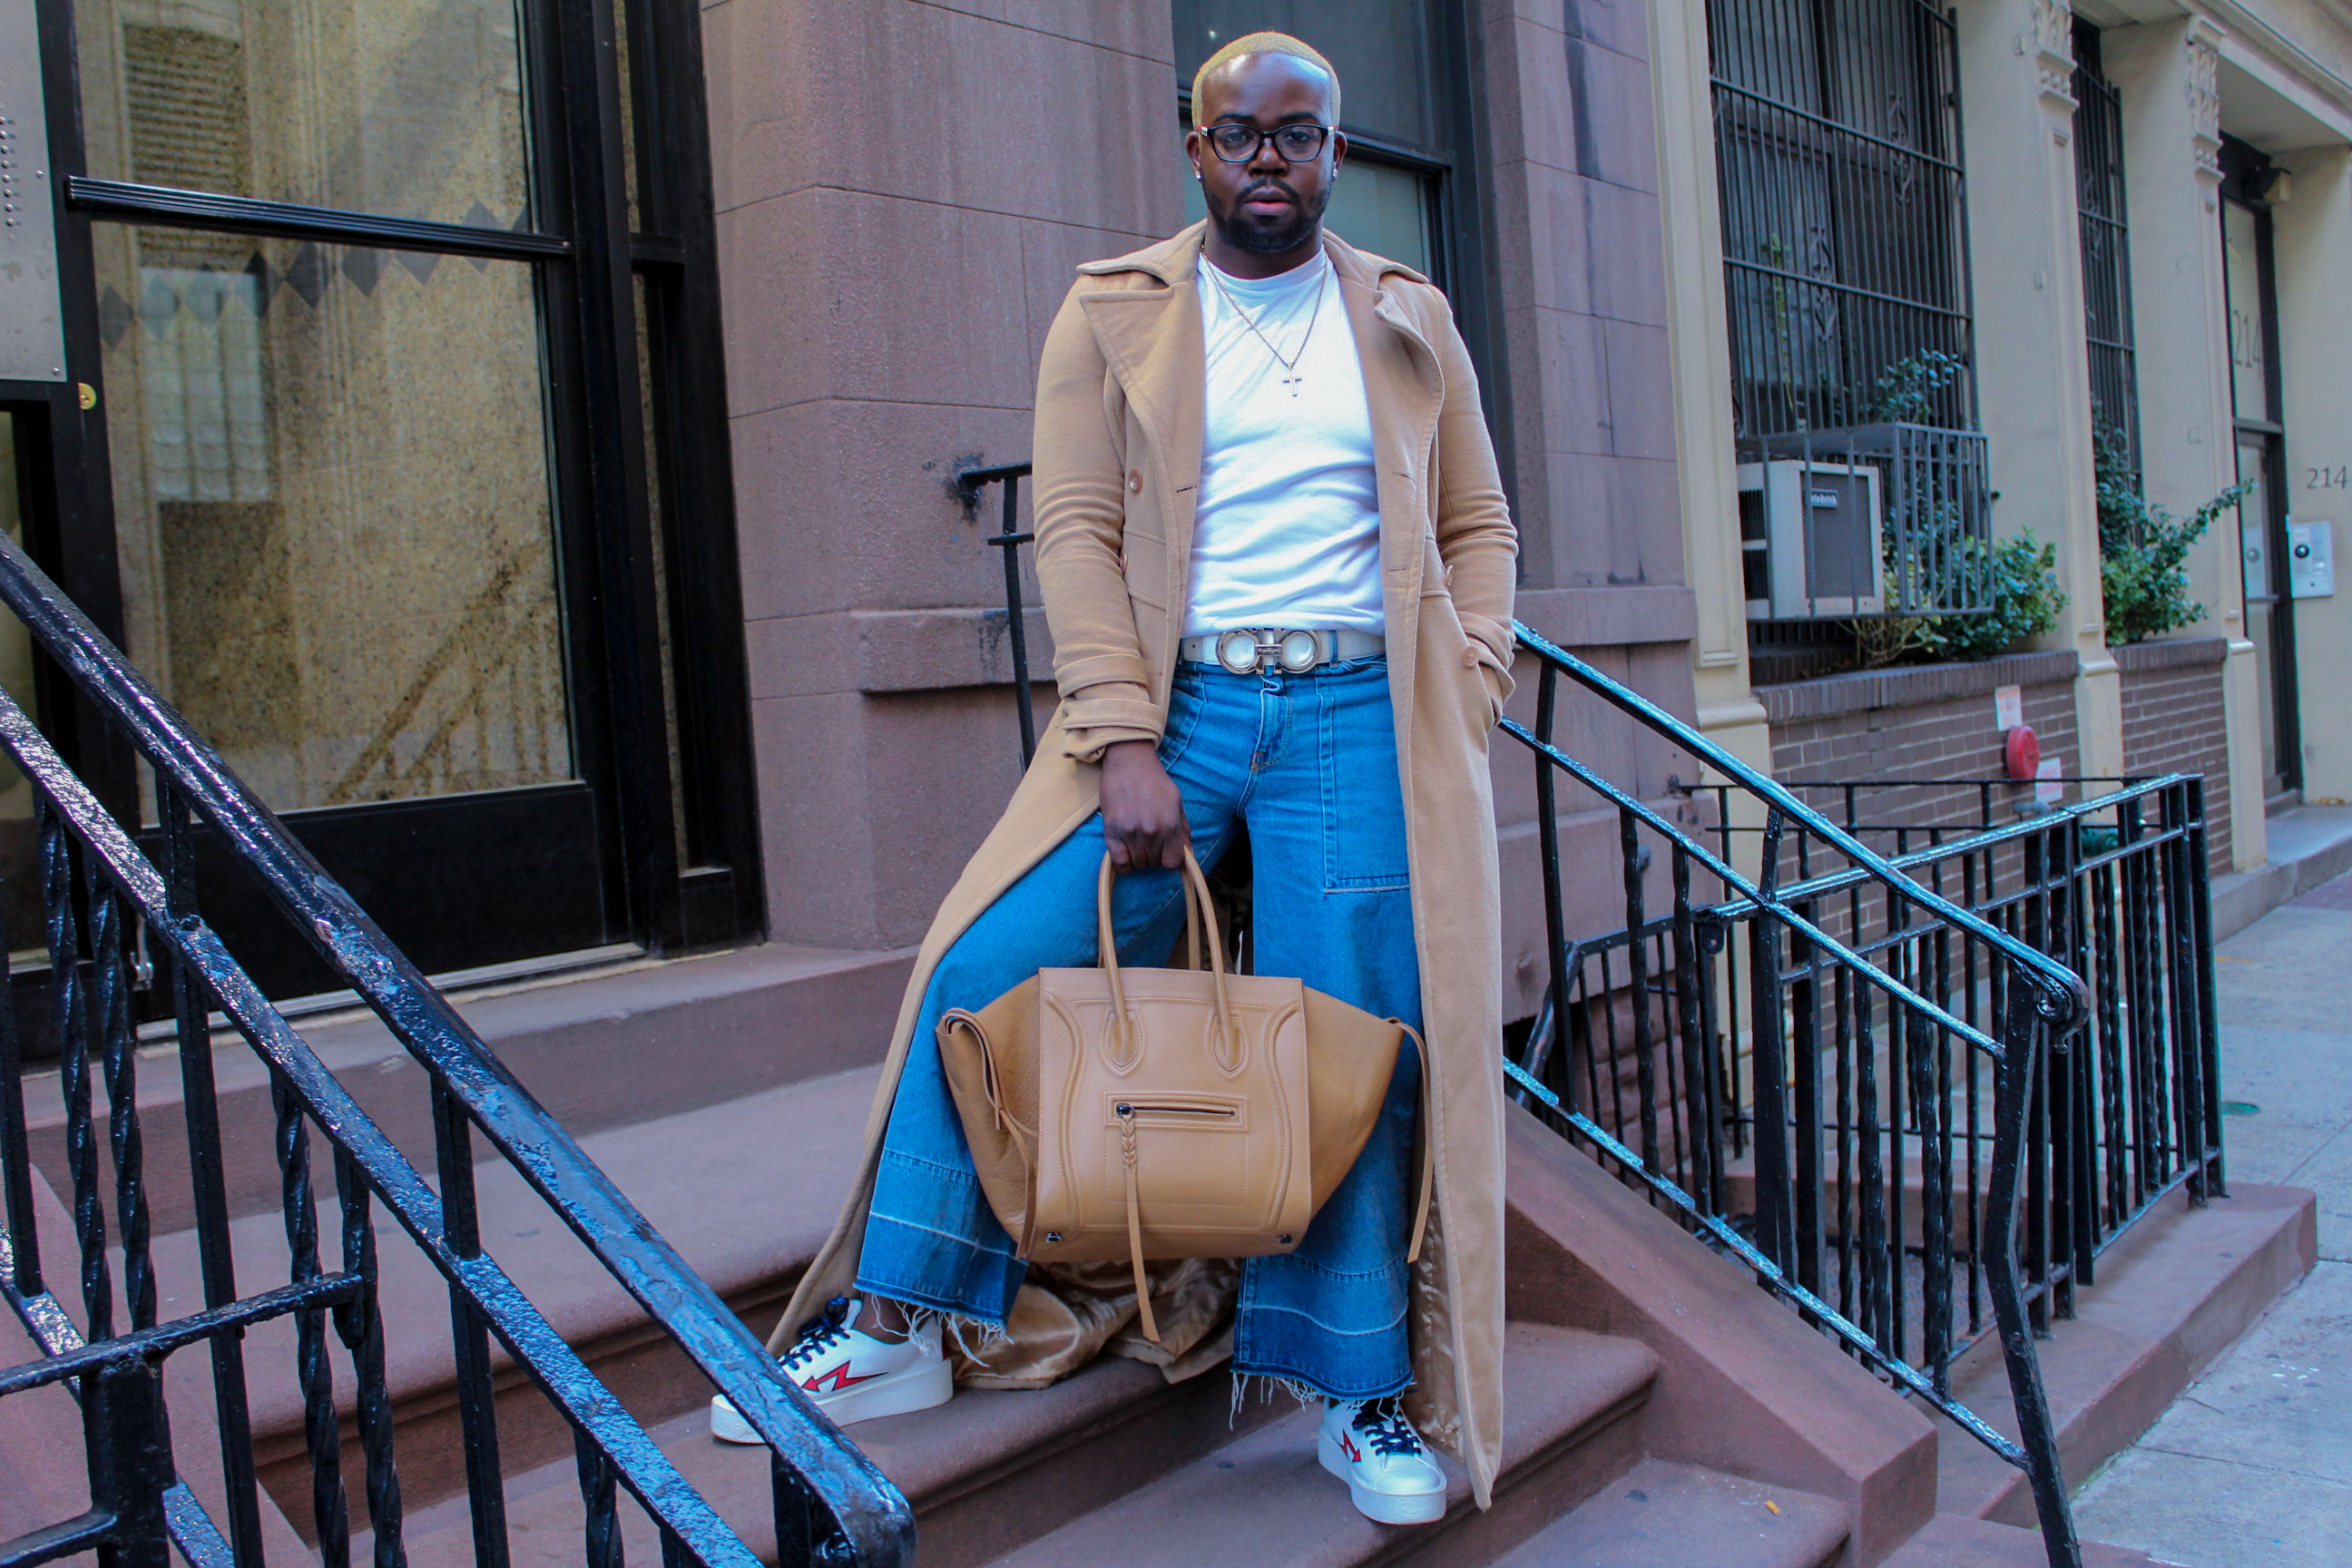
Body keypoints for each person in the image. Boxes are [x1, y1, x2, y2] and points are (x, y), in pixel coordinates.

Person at [722, 31, 1518, 1524]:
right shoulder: (1115, 310)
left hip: (1360, 714)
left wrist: (1471, 679)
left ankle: (1354, 1391)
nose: (1269, 156)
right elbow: (1078, 533)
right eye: (1240, 132)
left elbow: (1478, 523)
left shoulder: (1408, 316)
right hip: (1181, 706)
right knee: (989, 965)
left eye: (1297, 132)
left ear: (1337, 153)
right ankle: (895, 1321)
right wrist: (1127, 740)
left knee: (1355, 1032)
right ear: (1195, 145)